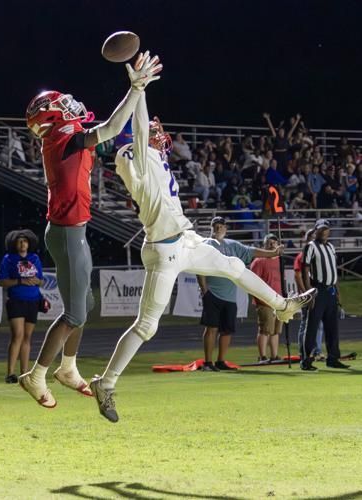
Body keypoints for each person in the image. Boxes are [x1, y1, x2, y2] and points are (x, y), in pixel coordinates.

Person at [89, 86, 316, 423]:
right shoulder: (131, 154)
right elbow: (138, 128)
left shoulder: (151, 156)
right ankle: (105, 384)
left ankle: (283, 307)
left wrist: (141, 96)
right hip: (164, 248)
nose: (160, 133)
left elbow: (142, 130)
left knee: (233, 265)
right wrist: (139, 88)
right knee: (147, 326)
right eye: (155, 130)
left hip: (184, 240)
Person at [19, 51, 163, 408]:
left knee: (86, 301)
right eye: (62, 104)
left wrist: (141, 109)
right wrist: (135, 89)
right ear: (54, 116)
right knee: (75, 314)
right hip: (67, 233)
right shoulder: (61, 137)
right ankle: (35, 375)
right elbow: (112, 128)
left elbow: (113, 133)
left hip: (72, 230)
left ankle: (68, 367)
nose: (70, 104)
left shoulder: (65, 135)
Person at [198, 217, 284, 372]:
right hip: (213, 293)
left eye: (221, 226)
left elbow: (251, 251)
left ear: (225, 228)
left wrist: (272, 253)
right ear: (211, 228)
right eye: (215, 226)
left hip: (230, 295)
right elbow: (199, 268)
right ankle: (207, 362)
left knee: (227, 330)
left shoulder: (233, 245)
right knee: (211, 328)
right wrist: (204, 290)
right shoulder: (206, 245)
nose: (218, 229)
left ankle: (221, 361)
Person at [301, 219, 349, 371]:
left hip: (330, 291)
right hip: (318, 290)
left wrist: (338, 292)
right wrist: (309, 293)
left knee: (332, 327)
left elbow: (333, 270)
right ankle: (307, 359)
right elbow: (305, 269)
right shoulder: (310, 246)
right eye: (321, 230)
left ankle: (333, 358)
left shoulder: (330, 247)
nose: (324, 232)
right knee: (312, 326)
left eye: (326, 229)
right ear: (315, 231)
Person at [0, 230, 44, 383]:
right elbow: (1, 282)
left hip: (33, 301)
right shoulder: (8, 259)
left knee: (27, 337)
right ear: (14, 244)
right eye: (19, 241)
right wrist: (20, 281)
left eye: (25, 241)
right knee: (17, 335)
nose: (22, 243)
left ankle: (24, 373)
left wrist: (35, 281)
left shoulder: (35, 258)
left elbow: (42, 280)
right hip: (16, 300)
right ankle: (10, 373)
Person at [250, 234, 284, 363]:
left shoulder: (279, 260)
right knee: (265, 329)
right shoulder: (259, 261)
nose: (271, 245)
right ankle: (262, 356)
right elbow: (253, 281)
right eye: (269, 243)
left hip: (278, 299)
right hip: (265, 300)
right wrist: (259, 298)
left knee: (275, 331)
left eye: (274, 243)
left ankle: (274, 356)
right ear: (264, 245)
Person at [294, 228, 324, 360]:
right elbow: (297, 275)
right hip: (309, 294)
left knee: (319, 324)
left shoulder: (318, 254)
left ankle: (317, 351)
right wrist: (306, 293)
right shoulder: (302, 256)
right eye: (311, 237)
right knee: (306, 323)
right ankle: (304, 352)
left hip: (319, 293)